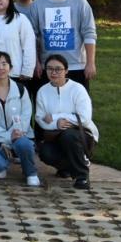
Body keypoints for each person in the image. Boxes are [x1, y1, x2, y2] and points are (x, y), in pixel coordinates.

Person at [29, 0, 98, 89]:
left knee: (77, 101)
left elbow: (89, 33)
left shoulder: (80, 3)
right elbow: (33, 36)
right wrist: (36, 62)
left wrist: (90, 63)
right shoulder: (37, 4)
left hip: (76, 66)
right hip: (47, 67)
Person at [36, 54, 99, 190]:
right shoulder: (42, 91)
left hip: (82, 134)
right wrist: (56, 124)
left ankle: (82, 176)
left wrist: (55, 116)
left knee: (68, 136)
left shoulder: (78, 89)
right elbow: (40, 118)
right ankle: (68, 167)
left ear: (66, 71)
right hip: (55, 134)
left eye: (58, 69)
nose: (54, 72)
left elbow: (84, 118)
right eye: (50, 69)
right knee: (45, 152)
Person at [0, 51, 40, 187]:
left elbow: (26, 115)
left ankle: (30, 172)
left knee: (24, 145)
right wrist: (7, 137)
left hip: (19, 134)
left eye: (4, 64)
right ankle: (3, 162)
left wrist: (14, 134)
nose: (0, 67)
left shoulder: (21, 89)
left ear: (10, 68)